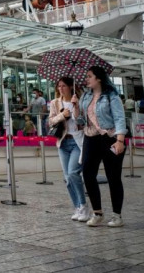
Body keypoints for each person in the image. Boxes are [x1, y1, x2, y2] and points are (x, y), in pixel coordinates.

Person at [80, 66, 127, 227]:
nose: (86, 79)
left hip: (110, 138)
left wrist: (120, 140)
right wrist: (74, 108)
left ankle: (117, 215)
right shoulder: (85, 96)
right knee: (87, 173)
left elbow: (120, 118)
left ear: (98, 78)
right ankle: (97, 212)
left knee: (113, 177)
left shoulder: (111, 96)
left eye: (89, 76)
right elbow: (81, 120)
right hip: (90, 138)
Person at [48, 77, 91, 222]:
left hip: (78, 141)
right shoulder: (55, 103)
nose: (61, 88)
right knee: (67, 178)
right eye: (59, 86)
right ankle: (77, 207)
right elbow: (51, 121)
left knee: (73, 173)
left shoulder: (80, 100)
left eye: (64, 86)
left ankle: (84, 206)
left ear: (70, 87)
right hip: (63, 143)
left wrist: (76, 108)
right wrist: (62, 115)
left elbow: (84, 121)